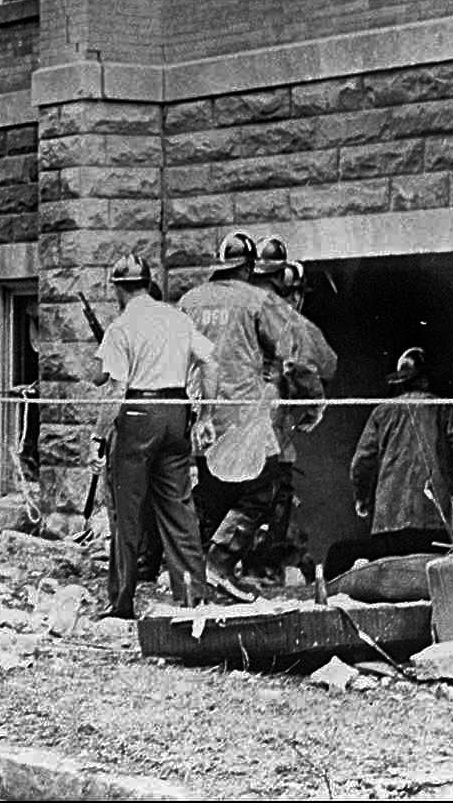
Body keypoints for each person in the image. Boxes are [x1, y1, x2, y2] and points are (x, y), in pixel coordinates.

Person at [88, 253, 214, 617]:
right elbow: (210, 360)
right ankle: (193, 599)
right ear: (148, 283)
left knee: (127, 512)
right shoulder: (177, 318)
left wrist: (98, 438)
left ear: (118, 289)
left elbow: (112, 388)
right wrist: (204, 413)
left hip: (138, 413)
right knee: (179, 510)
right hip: (177, 413)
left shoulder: (122, 327)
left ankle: (122, 603)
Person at [176, 231, 296, 600]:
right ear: (247, 267)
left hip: (201, 413)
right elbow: (287, 350)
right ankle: (221, 562)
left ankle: (187, 572)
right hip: (245, 412)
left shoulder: (189, 300)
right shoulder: (256, 300)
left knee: (210, 493)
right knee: (264, 487)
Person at [324, 348, 453, 578]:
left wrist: (362, 499)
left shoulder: (381, 413)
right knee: (431, 579)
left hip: (388, 524)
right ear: (425, 380)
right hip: (434, 522)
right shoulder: (445, 407)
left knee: (394, 578)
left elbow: (361, 462)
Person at [251, 253, 337, 578]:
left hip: (228, 437)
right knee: (272, 506)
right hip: (271, 437)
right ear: (296, 293)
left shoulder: (243, 313)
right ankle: (266, 570)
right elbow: (327, 364)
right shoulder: (293, 324)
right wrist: (314, 404)